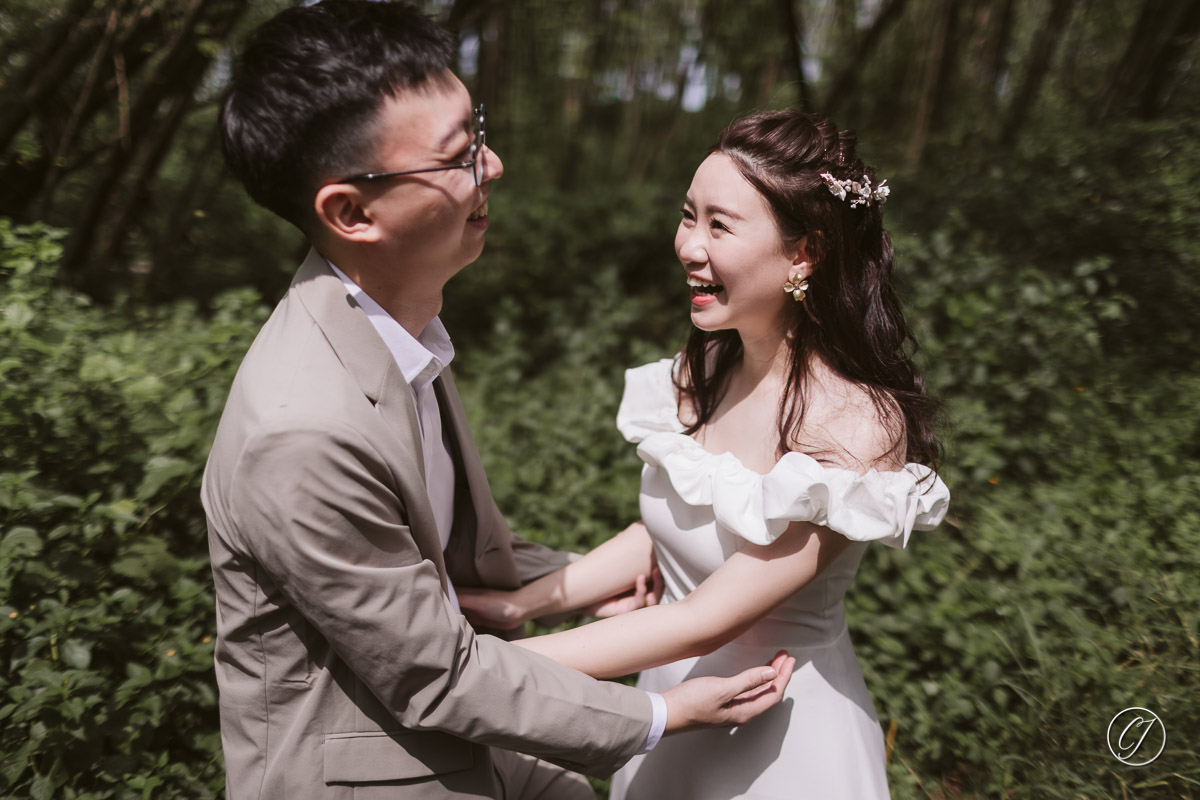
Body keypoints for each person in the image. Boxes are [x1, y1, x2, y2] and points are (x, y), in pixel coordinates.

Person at [200, 3, 796, 799]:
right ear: (350, 211)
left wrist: (567, 581)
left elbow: (427, 554)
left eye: (475, 129)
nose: (495, 165)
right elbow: (437, 674)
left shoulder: (393, 327)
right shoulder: (303, 430)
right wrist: (660, 715)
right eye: (457, 156)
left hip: (468, 737)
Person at [457, 111, 952, 799]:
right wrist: (525, 605)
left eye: (719, 225)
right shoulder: (706, 370)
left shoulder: (854, 424)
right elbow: (672, 524)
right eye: (689, 217)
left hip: (778, 740)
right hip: (672, 705)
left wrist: (478, 671)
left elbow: (705, 618)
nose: (688, 246)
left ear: (804, 252)